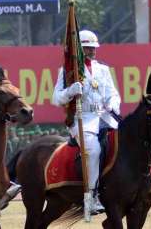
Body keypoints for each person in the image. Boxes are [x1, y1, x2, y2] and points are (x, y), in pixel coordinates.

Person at [53, 30, 121, 214]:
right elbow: (56, 98)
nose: (92, 51)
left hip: (105, 116)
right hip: (81, 119)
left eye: (93, 48)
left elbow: (112, 93)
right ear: (79, 50)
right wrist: (70, 91)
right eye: (88, 48)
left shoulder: (103, 69)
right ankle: (91, 196)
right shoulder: (67, 70)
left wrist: (113, 104)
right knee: (93, 149)